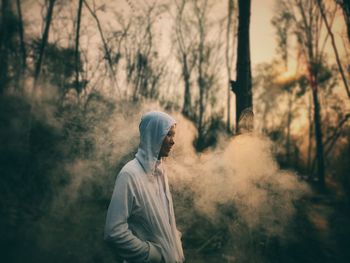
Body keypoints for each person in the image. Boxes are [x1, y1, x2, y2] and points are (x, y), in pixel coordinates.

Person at [104, 111, 184, 263]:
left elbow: (161, 221)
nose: (173, 141)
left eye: (173, 135)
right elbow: (113, 231)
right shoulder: (129, 174)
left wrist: (173, 242)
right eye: (168, 135)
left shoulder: (160, 172)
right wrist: (152, 254)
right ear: (154, 136)